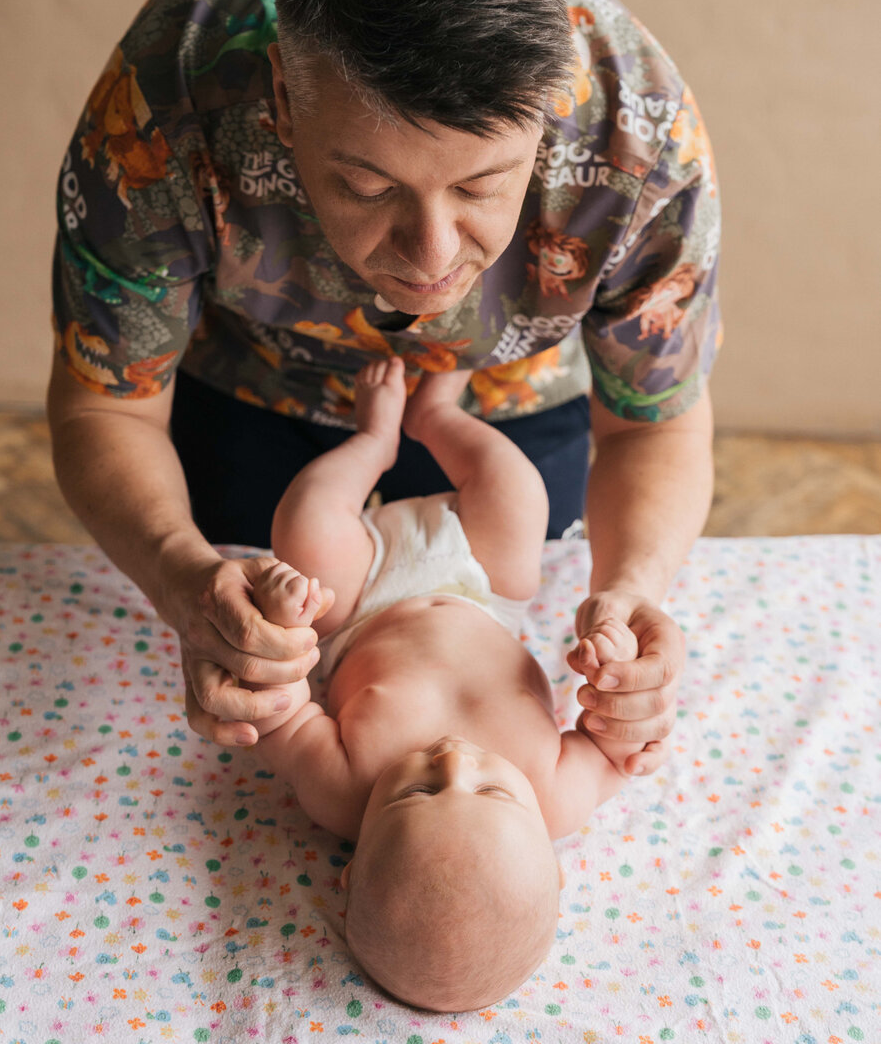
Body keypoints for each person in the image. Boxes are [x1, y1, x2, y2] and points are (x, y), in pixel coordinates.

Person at [46, 0, 719, 766]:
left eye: (483, 185)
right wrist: (182, 576)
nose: (433, 260)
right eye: (367, 186)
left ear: (550, 104)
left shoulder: (641, 137)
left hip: (511, 418)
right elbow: (105, 403)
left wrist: (635, 585)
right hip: (257, 397)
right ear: (284, 101)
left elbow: (655, 428)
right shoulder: (167, 99)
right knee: (261, 632)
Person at [241, 356, 656, 1011]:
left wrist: (284, 618)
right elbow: (617, 747)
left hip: (356, 599)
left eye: (417, 793)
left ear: (354, 868)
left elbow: (276, 711)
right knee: (518, 493)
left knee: (306, 526)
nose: (453, 763)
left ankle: (372, 444)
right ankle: (437, 417)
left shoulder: (340, 791)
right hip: (484, 586)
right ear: (549, 866)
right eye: (491, 790)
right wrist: (614, 671)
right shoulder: (557, 797)